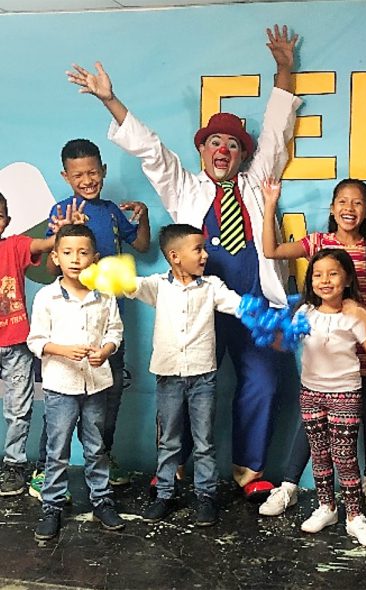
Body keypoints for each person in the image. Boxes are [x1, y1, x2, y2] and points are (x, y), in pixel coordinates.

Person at [66, 25, 301, 498]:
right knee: (186, 387)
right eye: (214, 142)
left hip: (252, 303)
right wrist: (109, 100)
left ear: (243, 154)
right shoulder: (185, 187)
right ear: (201, 150)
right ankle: (173, 466)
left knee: (262, 383)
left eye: (232, 144)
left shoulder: (258, 183)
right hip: (199, 306)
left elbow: (277, 131)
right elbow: (150, 149)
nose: (222, 150)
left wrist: (283, 69)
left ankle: (248, 469)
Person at [259, 178, 366, 515]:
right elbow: (271, 251)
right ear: (332, 208)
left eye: (357, 203)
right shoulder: (318, 242)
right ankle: (290, 485)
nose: (349, 208)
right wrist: (270, 204)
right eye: (343, 201)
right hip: (329, 347)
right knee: (314, 419)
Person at [29, 139, 150, 500]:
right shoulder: (61, 212)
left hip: (106, 319)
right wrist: (62, 234)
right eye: (78, 174)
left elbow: (142, 245)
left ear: (104, 171)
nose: (87, 180)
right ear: (65, 176)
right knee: (59, 404)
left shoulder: (112, 212)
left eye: (93, 172)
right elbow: (51, 268)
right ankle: (44, 469)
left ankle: (103, 458)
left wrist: (144, 216)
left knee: (109, 397)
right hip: (68, 323)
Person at [124, 224, 242, 526]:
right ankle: (165, 494)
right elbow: (128, 285)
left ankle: (206, 497)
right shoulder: (157, 285)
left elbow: (238, 305)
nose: (205, 255)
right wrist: (102, 273)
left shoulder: (212, 286)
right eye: (198, 250)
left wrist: (266, 315)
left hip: (203, 375)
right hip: (168, 375)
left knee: (204, 441)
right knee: (169, 440)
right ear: (175, 256)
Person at [27, 224, 125, 541]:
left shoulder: (105, 295)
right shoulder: (47, 297)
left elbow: (115, 331)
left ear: (94, 258)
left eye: (83, 252)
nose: (75, 259)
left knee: (96, 448)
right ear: (55, 257)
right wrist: (64, 350)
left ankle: (102, 502)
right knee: (57, 451)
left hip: (96, 384)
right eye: (67, 252)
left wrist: (105, 351)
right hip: (61, 386)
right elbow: (36, 340)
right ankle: (52, 507)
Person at [295, 248, 366, 547]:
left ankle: (355, 516)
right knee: (319, 455)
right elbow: (283, 344)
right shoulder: (305, 312)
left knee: (344, 457)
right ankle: (326, 507)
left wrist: (364, 316)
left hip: (345, 392)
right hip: (310, 391)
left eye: (332, 274)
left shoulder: (353, 313)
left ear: (346, 279)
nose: (325, 280)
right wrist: (271, 327)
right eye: (317, 275)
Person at [0, 193, 83, 497]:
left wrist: (63, 232)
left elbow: (46, 245)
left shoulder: (15, 246)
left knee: (18, 409)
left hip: (15, 343)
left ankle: (14, 465)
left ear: (7, 221)